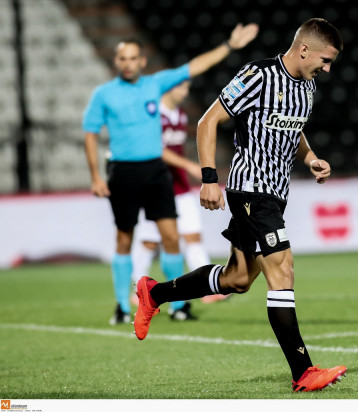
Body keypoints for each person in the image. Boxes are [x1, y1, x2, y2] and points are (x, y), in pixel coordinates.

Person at [135, 18, 347, 392]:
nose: (327, 69)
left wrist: (311, 157)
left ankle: (154, 292)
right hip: (251, 191)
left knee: (236, 279)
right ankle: (303, 372)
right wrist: (209, 178)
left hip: (275, 195)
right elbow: (208, 121)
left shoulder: (308, 86)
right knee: (282, 268)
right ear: (304, 49)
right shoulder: (258, 76)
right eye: (325, 60)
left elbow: (293, 128)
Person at [83, 23, 259, 326]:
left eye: (133, 58)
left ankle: (179, 305)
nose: (128, 63)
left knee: (171, 237)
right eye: (123, 58)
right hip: (122, 171)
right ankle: (122, 306)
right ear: (116, 61)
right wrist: (96, 177)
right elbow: (90, 133)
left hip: (155, 171)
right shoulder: (104, 94)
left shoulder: (155, 84)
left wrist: (229, 46)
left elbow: (194, 67)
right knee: (124, 239)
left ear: (142, 61)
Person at [131, 80, 229, 321]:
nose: (185, 92)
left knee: (193, 236)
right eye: (181, 87)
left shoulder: (180, 114)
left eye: (187, 88)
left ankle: (208, 288)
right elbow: (155, 149)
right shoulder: (153, 113)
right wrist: (189, 165)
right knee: (150, 242)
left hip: (181, 187)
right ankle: (137, 288)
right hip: (155, 187)